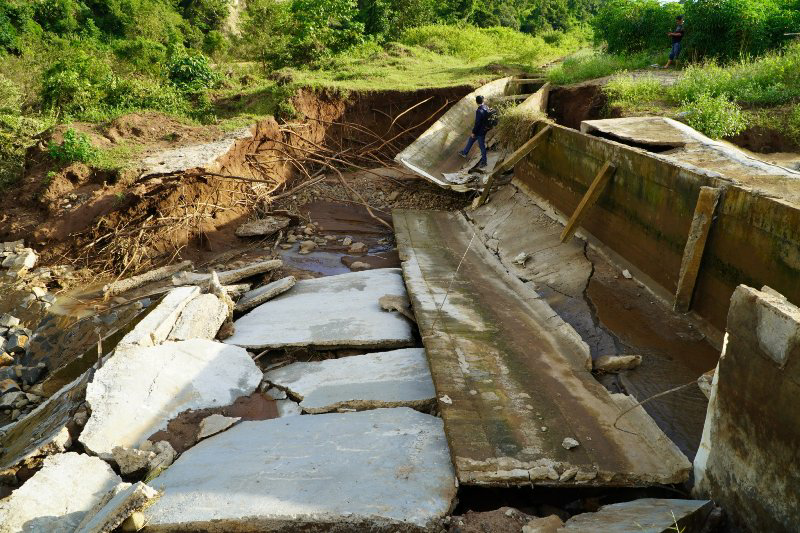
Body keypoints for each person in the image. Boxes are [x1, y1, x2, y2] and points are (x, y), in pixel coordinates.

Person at [459, 95, 489, 168]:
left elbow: (477, 123)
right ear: (483, 101)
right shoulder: (486, 107)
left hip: (480, 132)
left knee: (482, 146)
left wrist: (473, 132)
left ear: (476, 102)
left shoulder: (479, 111)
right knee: (471, 139)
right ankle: (464, 152)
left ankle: (484, 162)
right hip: (484, 129)